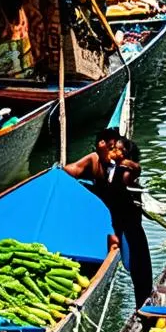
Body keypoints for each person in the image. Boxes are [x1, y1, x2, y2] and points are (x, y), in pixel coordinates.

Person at [65, 128, 154, 306]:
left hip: (126, 218)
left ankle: (144, 302)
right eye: (111, 147)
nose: (113, 152)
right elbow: (70, 170)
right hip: (108, 218)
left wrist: (133, 167)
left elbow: (133, 173)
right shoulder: (94, 160)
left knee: (138, 264)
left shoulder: (124, 169)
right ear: (101, 145)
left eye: (117, 148)